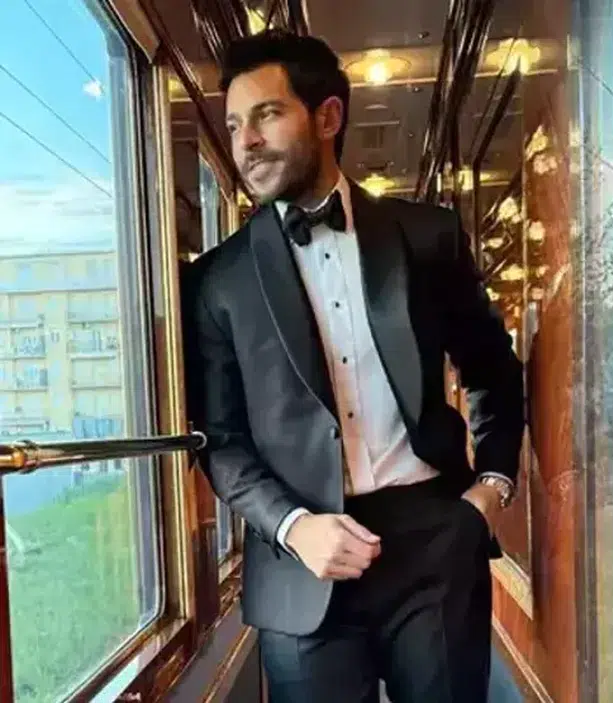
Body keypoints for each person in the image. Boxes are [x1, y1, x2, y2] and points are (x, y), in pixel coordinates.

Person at [187, 30, 524, 702]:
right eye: (234, 124)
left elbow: (492, 367)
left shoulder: (426, 236)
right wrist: (292, 525)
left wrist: (492, 487)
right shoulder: (217, 280)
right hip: (300, 562)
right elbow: (219, 440)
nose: (246, 141)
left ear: (328, 117)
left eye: (266, 115)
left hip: (434, 541)